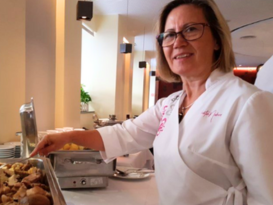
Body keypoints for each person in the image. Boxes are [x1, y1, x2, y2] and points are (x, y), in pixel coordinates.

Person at [31, 0, 273, 204]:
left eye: (191, 29)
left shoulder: (248, 102)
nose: (178, 42)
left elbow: (265, 196)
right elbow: (124, 134)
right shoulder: (169, 104)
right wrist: (68, 136)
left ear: (217, 39)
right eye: (169, 35)